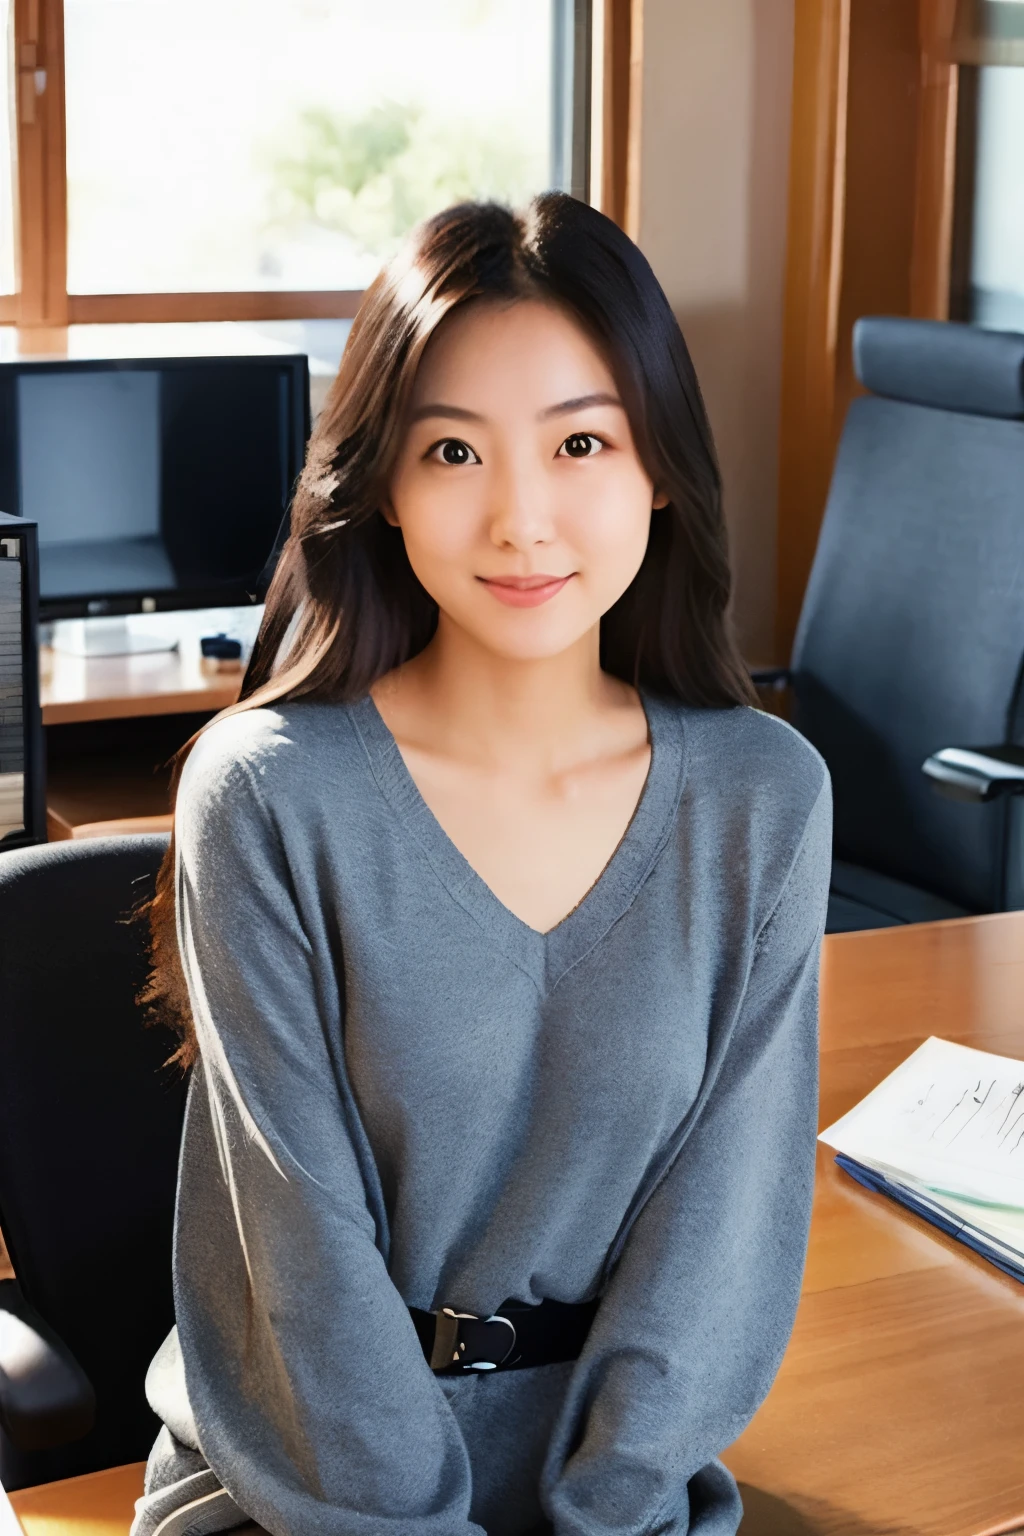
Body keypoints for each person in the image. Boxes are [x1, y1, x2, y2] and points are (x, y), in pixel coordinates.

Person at [132, 193, 831, 1536]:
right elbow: (303, 1267)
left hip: (613, 1489)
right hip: (302, 1486)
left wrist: (614, 1503)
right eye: (453, 450)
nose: (521, 519)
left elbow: (721, 1241)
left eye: (580, 441)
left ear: (660, 468)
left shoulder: (763, 800)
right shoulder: (268, 796)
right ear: (383, 485)